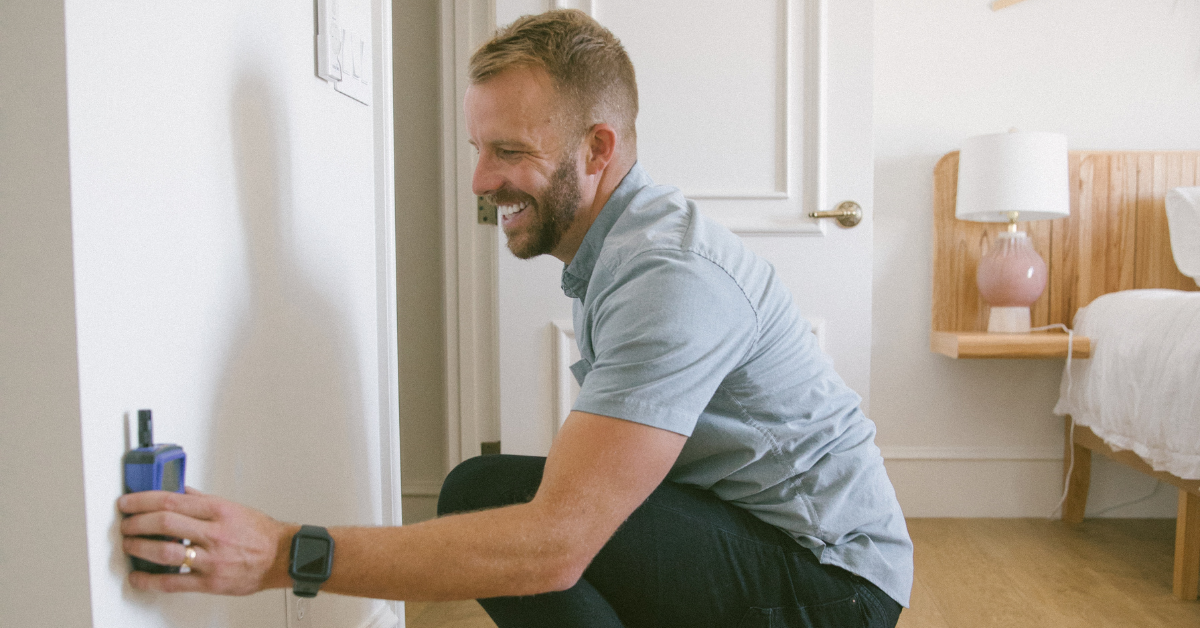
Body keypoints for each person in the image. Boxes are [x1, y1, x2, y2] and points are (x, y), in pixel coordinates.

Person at [120, 9, 912, 627]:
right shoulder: (627, 248)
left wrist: (286, 554)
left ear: (596, 149)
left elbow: (555, 547)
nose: (479, 178)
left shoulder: (668, 278)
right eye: (477, 148)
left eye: (507, 150)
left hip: (833, 588)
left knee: (483, 496)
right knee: (497, 494)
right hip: (761, 534)